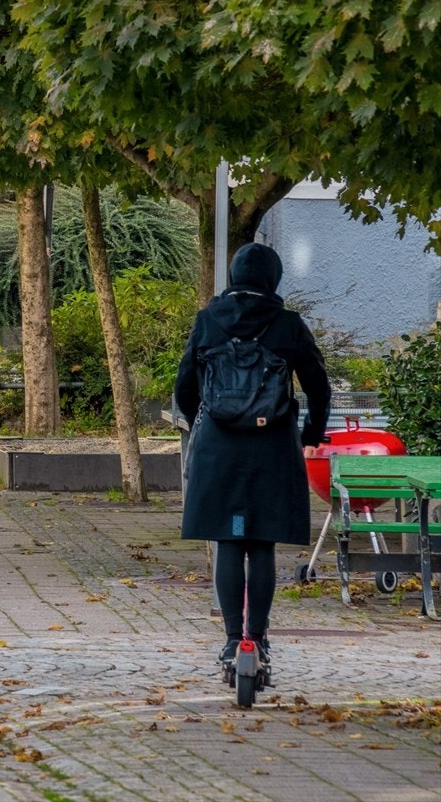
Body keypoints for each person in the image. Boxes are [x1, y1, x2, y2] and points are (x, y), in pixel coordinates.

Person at [174, 242, 331, 669]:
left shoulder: (208, 320)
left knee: (228, 538)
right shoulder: (287, 324)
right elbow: (319, 387)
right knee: (261, 541)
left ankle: (230, 640)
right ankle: (257, 639)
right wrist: (310, 435)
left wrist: (206, 423)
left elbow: (185, 387)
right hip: (272, 445)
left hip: (219, 446)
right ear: (272, 279)